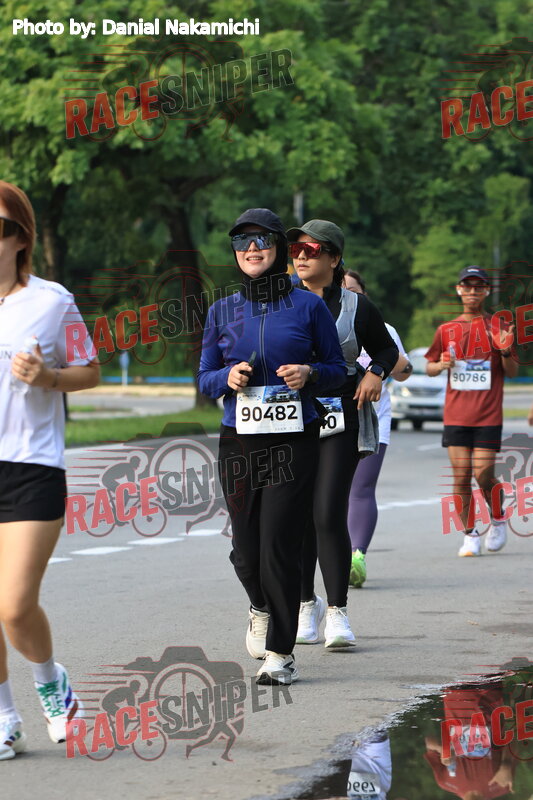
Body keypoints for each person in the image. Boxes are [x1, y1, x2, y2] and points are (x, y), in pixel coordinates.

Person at [198, 208, 346, 685]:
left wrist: (310, 373)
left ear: (279, 247)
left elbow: (338, 370)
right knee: (245, 550)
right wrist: (227, 377)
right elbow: (204, 377)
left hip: (292, 438)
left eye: (261, 240)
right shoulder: (221, 310)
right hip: (239, 440)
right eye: (241, 242)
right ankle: (259, 606)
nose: (251, 249)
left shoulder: (309, 307)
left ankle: (281, 654)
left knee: (278, 543)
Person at [0, 181, 99, 759]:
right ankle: (4, 718)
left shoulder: (52, 301)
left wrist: (48, 377)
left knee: (14, 605)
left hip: (31, 467)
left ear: (21, 238)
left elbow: (90, 370)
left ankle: (51, 685)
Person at [287, 221, 398, 648]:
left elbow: (387, 348)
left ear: (334, 258)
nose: (301, 256)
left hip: (340, 415)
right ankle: (305, 605)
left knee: (327, 511)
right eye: (296, 249)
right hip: (290, 418)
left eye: (312, 249)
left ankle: (337, 612)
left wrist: (376, 372)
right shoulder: (281, 300)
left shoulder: (356, 306)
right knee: (298, 516)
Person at [425, 266, 518, 557]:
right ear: (459, 290)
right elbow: (429, 367)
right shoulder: (446, 330)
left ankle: (498, 517)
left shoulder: (498, 328)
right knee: (461, 476)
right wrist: (441, 365)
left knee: (484, 474)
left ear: (487, 291)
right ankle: (470, 535)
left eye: (479, 287)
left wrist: (505, 350)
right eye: (468, 286)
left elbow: (512, 372)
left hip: (488, 415)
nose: (473, 291)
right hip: (457, 415)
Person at [344, 270, 412, 588]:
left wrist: (393, 362)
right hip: (330, 420)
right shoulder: (320, 320)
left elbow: (403, 371)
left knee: (361, 488)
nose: (348, 294)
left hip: (373, 420)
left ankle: (356, 557)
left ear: (365, 295)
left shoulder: (383, 329)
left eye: (354, 290)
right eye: (342, 289)